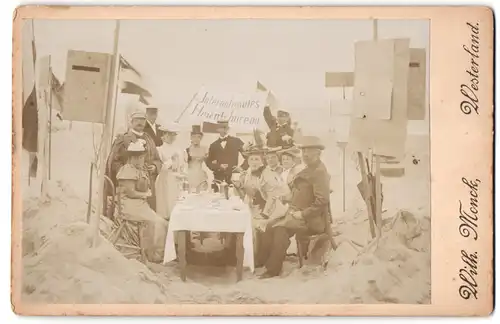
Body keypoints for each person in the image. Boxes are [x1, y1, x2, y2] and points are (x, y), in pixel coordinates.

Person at [257, 136, 331, 279]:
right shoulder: (309, 169)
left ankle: (273, 270)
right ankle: (263, 262)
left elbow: (322, 201)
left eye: (309, 152)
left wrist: (302, 214)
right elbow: (300, 192)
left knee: (280, 229)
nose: (305, 155)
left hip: (311, 219)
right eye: (303, 152)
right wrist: (286, 198)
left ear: (318, 153)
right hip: (296, 213)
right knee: (268, 226)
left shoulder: (319, 172)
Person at [115, 139, 168, 262]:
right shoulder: (127, 170)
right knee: (158, 223)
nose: (139, 160)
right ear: (130, 158)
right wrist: (145, 194)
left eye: (141, 157)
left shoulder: (140, 169)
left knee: (162, 223)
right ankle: (153, 255)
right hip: (129, 206)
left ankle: (155, 253)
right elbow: (130, 192)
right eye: (136, 158)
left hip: (140, 205)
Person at [104, 110, 162, 217]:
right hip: (130, 185)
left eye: (143, 120)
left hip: (148, 183)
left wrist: (154, 167)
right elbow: (113, 162)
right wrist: (129, 172)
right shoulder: (122, 139)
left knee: (149, 216)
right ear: (131, 122)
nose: (140, 122)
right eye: (137, 120)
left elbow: (157, 160)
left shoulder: (149, 139)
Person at [155, 122, 186, 221]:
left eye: (174, 135)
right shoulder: (159, 150)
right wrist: (171, 160)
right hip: (164, 180)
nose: (172, 137)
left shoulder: (179, 150)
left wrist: (182, 171)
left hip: (176, 180)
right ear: (164, 135)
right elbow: (161, 167)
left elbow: (181, 167)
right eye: (170, 134)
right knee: (165, 206)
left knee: (175, 206)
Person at [206, 120, 246, 192]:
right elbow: (208, 162)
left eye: (225, 127)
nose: (224, 129)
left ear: (228, 129)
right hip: (218, 179)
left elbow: (248, 156)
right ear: (217, 129)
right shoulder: (213, 145)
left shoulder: (236, 141)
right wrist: (218, 166)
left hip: (233, 178)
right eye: (221, 127)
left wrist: (241, 168)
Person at [186, 125, 209, 193]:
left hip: (201, 176)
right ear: (191, 137)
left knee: (202, 195)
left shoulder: (205, 149)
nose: (196, 139)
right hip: (190, 175)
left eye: (198, 137)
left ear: (201, 138)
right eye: (194, 136)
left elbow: (208, 163)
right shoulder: (187, 150)